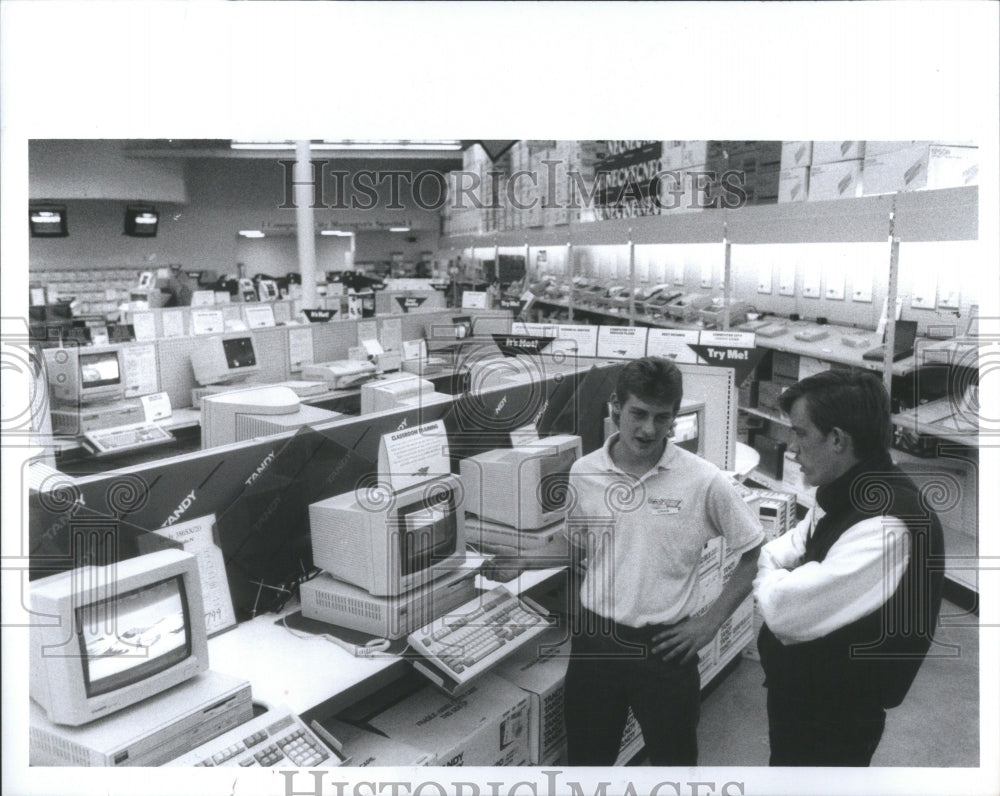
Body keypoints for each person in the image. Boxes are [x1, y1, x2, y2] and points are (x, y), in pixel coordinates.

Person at [561, 356, 764, 765]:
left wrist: (709, 623)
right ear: (616, 406)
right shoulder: (583, 472)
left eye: (661, 417)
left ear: (673, 417)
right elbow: (578, 549)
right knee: (586, 766)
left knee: (675, 767)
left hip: (666, 651)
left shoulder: (703, 479)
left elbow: (754, 551)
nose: (648, 429)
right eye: (638, 414)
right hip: (596, 645)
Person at [753, 369, 945, 766]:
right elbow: (782, 550)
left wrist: (777, 577)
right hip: (801, 698)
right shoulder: (848, 489)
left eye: (801, 434)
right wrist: (779, 571)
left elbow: (784, 610)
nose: (791, 448)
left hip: (833, 721)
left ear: (838, 439)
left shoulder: (885, 525)